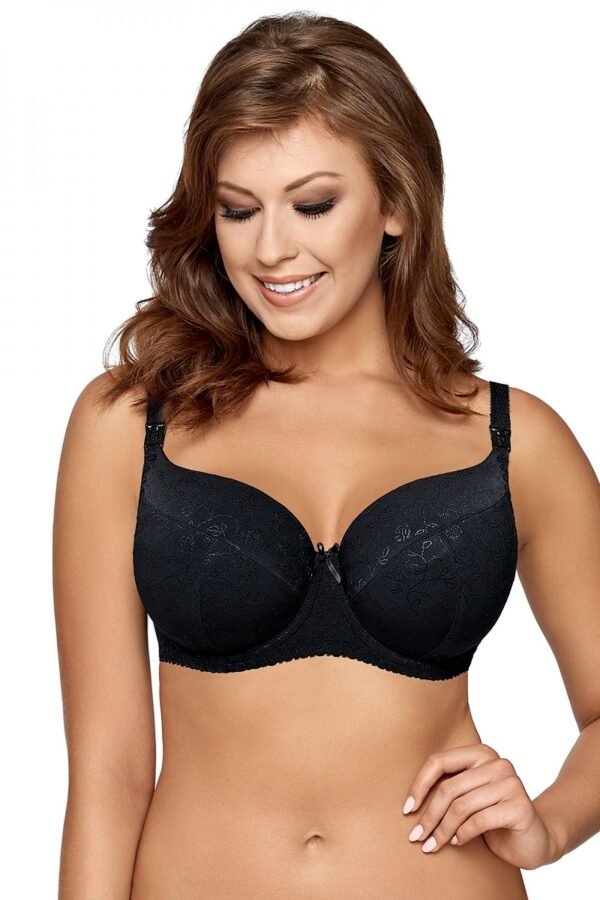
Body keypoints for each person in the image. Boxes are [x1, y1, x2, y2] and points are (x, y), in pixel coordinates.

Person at [53, 12, 600, 900]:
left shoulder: (516, 441)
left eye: (313, 205)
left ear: (395, 204)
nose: (272, 248)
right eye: (238, 210)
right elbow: (107, 775)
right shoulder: (131, 424)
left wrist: (552, 824)